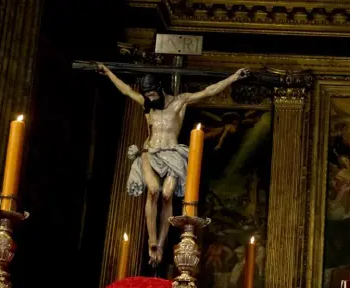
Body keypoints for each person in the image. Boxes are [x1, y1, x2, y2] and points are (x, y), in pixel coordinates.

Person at [97, 64, 250, 266]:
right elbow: (126, 89)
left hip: (172, 154)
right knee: (153, 190)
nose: (150, 98)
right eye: (147, 95)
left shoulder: (179, 102)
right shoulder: (146, 103)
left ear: (160, 89)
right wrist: (108, 72)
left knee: (167, 194)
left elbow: (208, 90)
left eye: (152, 93)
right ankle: (152, 240)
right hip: (150, 152)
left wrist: (234, 77)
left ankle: (160, 244)